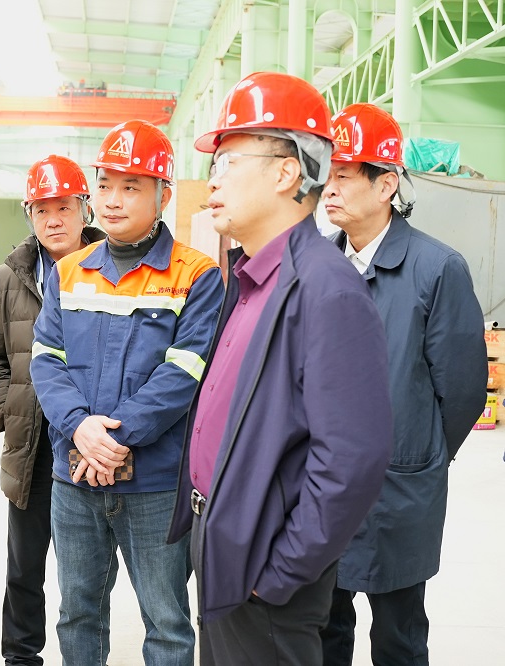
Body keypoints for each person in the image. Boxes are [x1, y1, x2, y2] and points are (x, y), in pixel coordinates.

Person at [166, 71, 395, 664]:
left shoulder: (326, 290)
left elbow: (351, 459)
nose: (212, 180)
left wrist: (280, 572)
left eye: (228, 161)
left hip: (264, 568)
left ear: (287, 172)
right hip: (226, 544)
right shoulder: (250, 279)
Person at [30, 120, 224, 665]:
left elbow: (183, 373)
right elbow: (46, 360)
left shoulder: (196, 275)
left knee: (166, 621)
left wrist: (112, 439)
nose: (112, 200)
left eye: (131, 187)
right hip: (75, 478)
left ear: (164, 195)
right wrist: (80, 429)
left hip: (155, 484)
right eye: (105, 185)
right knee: (77, 613)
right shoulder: (68, 272)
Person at [319, 103, 488, 665]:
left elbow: (463, 390)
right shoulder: (317, 266)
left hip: (400, 488)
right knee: (323, 628)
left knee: (398, 636)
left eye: (345, 175)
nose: (329, 188)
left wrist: (422, 453)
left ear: (386, 184)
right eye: (328, 175)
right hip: (322, 487)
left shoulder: (437, 268)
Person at [0, 154, 107, 665]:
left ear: (84, 209)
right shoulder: (7, 278)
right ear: (28, 213)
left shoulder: (114, 269)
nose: (53, 220)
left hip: (90, 448)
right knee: (24, 568)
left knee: (87, 576)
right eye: (42, 210)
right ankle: (20, 658)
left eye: (64, 208)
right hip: (31, 448)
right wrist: (7, 412)